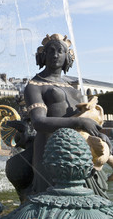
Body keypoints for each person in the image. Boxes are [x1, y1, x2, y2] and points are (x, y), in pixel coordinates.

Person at [24, 34, 111, 197]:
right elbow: (38, 121)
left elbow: (86, 119)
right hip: (51, 152)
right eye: (50, 51)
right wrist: (78, 122)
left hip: (81, 152)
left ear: (68, 57)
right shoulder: (35, 85)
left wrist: (99, 135)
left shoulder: (72, 88)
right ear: (43, 55)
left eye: (60, 51)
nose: (55, 55)